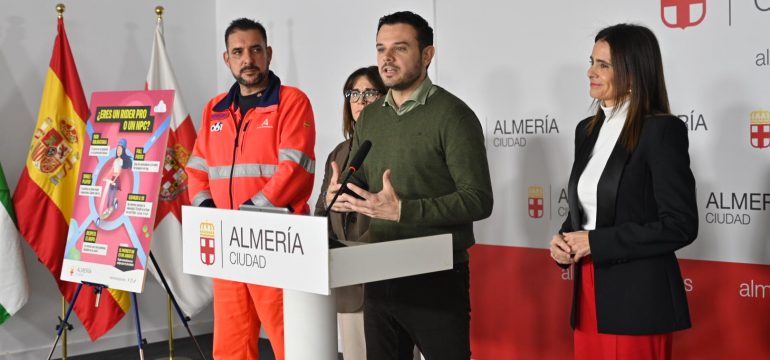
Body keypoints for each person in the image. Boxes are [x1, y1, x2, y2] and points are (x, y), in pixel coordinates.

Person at [326, 11, 493, 360]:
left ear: (427, 55)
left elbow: (478, 200)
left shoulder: (453, 115)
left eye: (399, 48)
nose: (386, 58)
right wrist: (342, 193)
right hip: (379, 270)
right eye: (380, 49)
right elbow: (360, 176)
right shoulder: (371, 116)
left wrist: (403, 210)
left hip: (436, 277)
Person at [549, 23, 698, 360]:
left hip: (637, 300)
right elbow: (587, 210)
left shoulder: (661, 131)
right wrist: (564, 240)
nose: (590, 71)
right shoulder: (586, 131)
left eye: (604, 65)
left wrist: (595, 242)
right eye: (592, 61)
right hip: (589, 292)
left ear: (634, 74)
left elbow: (680, 225)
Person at [186, 18, 315, 360]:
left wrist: (248, 214)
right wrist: (206, 210)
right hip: (230, 244)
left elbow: (295, 168)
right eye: (238, 51)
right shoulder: (214, 109)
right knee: (232, 344)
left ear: (269, 53)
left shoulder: (291, 101)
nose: (248, 59)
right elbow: (197, 168)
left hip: (277, 242)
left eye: (256, 49)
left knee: (291, 340)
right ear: (226, 59)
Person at [313, 66, 386, 360]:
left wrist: (362, 252)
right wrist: (330, 206)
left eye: (369, 92)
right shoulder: (339, 152)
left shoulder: (397, 148)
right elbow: (321, 210)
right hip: (348, 276)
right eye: (354, 93)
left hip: (386, 271)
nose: (360, 99)